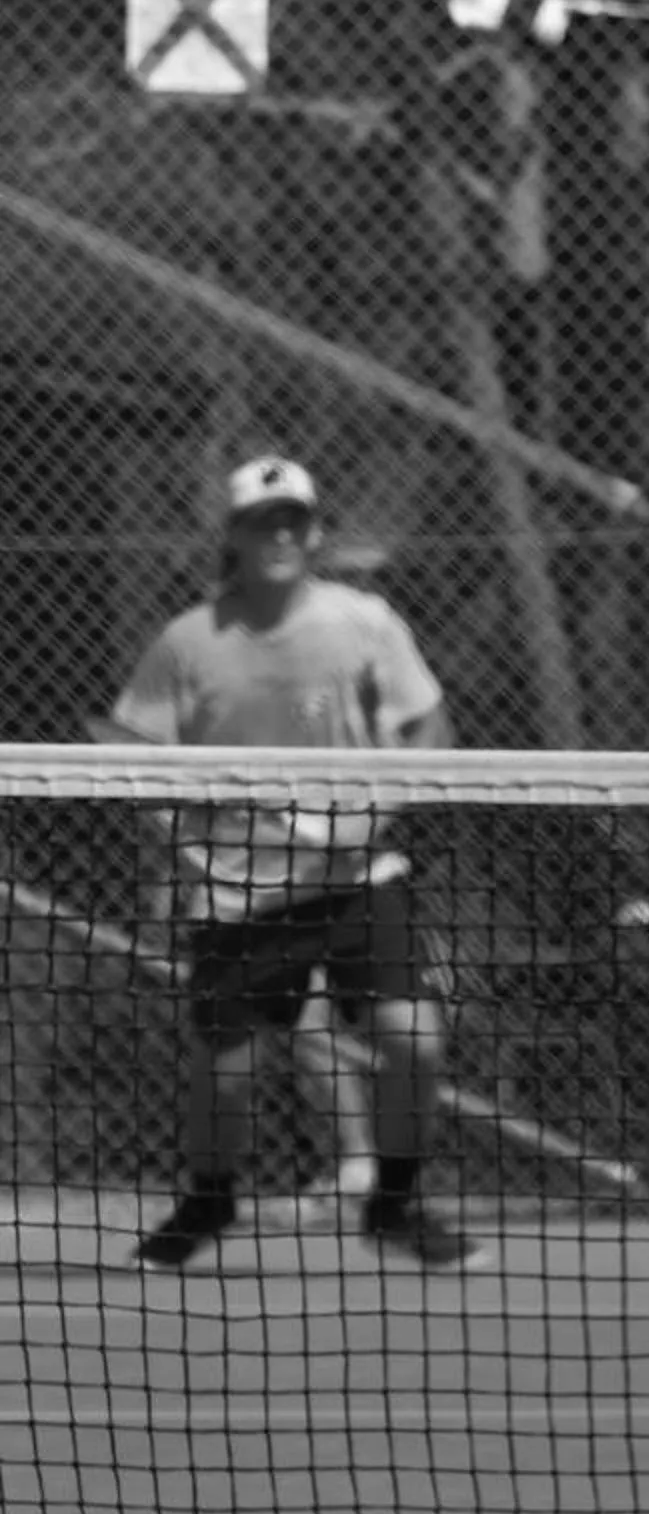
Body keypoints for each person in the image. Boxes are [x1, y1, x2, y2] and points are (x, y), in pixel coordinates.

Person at [101, 456, 482, 1270]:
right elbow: (133, 757)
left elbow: (428, 727)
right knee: (225, 1076)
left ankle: (396, 1203)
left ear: (313, 532)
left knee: (413, 1038)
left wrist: (376, 814)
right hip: (239, 896)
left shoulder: (365, 622)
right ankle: (208, 1202)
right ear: (233, 537)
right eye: (261, 522)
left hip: (358, 883)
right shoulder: (187, 643)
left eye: (293, 521)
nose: (279, 536)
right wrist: (186, 838)